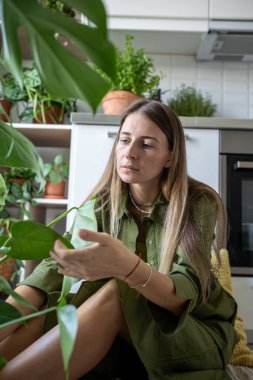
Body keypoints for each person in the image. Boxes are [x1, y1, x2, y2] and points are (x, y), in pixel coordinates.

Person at [0, 99, 238, 380]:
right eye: (124, 140)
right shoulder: (103, 203)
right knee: (46, 310)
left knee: (118, 290)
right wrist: (8, 318)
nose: (130, 153)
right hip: (127, 338)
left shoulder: (197, 203)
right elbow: (56, 266)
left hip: (193, 333)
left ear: (170, 157)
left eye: (146, 144)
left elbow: (182, 299)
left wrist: (127, 268)